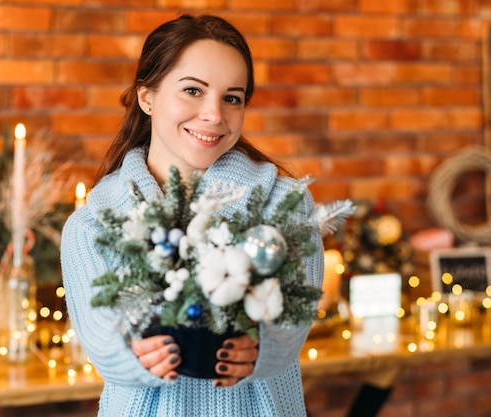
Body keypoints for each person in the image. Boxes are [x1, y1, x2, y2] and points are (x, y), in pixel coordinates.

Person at [60, 14, 324, 417]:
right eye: (192, 91)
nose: (214, 114)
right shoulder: (92, 224)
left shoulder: (284, 205)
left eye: (232, 97)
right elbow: (100, 340)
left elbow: (296, 315)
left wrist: (265, 349)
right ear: (147, 97)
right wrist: (133, 355)